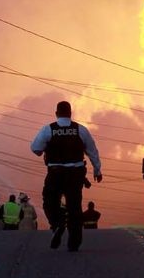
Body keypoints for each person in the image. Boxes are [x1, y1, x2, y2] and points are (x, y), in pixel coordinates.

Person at [31, 100, 102, 252]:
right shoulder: (80, 130)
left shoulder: (48, 129)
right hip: (75, 175)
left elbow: (35, 149)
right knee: (74, 207)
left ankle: (57, 224)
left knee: (50, 202)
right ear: (70, 114)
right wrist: (97, 170)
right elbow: (92, 151)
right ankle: (74, 243)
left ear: (56, 113)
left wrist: (48, 148)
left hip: (55, 173)